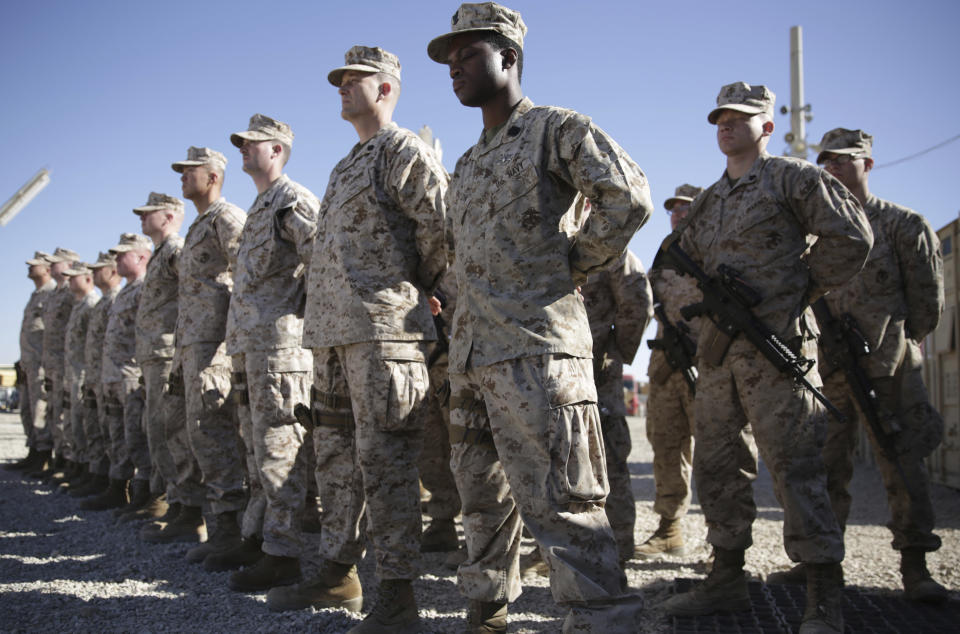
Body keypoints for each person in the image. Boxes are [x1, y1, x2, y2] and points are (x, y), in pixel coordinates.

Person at [427, 3, 653, 630]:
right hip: (474, 356)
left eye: (468, 54)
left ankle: (606, 621)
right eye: (450, 59)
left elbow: (628, 198)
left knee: (563, 506)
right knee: (482, 501)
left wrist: (570, 264)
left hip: (537, 352)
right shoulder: (468, 165)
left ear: (510, 56)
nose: (455, 68)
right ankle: (489, 612)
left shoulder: (556, 130)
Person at [659, 83, 873, 634]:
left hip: (775, 353)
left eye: (739, 118)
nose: (726, 126)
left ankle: (821, 593)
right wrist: (700, 316)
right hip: (718, 357)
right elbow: (678, 264)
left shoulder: (793, 179)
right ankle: (727, 576)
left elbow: (851, 236)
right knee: (716, 468)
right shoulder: (709, 199)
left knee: (796, 468)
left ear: (768, 126)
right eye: (720, 119)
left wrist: (796, 292)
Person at [268, 47, 447, 633]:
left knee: (388, 463)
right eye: (339, 81)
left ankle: (397, 595)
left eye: (354, 80)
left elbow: (441, 235)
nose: (342, 87)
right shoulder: (347, 164)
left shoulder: (405, 153)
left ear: (387, 88)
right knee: (336, 461)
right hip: (332, 339)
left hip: (384, 336)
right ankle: (338, 572)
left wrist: (410, 297)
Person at [766, 128, 946, 603]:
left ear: (868, 164)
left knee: (901, 464)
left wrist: (904, 346)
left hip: (889, 369)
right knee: (823, 469)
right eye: (827, 162)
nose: (835, 169)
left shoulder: (904, 226)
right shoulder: (816, 235)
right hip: (827, 373)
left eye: (845, 161)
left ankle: (916, 566)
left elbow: (927, 303)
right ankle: (822, 567)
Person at [221, 114, 318, 592]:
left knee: (281, 452)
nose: (242, 148)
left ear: (277, 149)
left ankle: (284, 554)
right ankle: (258, 536)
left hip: (281, 352)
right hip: (249, 350)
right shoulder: (260, 206)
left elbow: (321, 262)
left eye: (251, 143)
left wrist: (302, 322)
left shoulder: (291, 200)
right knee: (255, 450)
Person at [154, 146, 248, 554]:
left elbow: (248, 276)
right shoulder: (198, 226)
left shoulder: (226, 218)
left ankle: (229, 531)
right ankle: (210, 521)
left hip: (215, 346)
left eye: (191, 171)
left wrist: (228, 348)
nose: (182, 176)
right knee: (196, 434)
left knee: (216, 434)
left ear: (213, 178)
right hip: (191, 344)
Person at [127, 192, 206, 536]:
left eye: (150, 212)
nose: (142, 218)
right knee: (158, 432)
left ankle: (187, 511)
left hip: (167, 354)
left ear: (171, 216)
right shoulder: (161, 254)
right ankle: (175, 503)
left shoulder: (176, 250)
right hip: (153, 357)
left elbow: (193, 292)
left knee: (171, 432)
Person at [636, 184, 704, 560]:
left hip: (705, 362)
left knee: (715, 452)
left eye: (686, 208)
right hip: (665, 366)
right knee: (665, 445)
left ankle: (722, 542)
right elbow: (641, 299)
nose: (678, 214)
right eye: (673, 209)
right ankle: (669, 529)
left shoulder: (712, 247)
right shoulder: (665, 252)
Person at [580, 248, 653, 564]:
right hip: (556, 368)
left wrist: (611, 351)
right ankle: (572, 545)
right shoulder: (551, 234)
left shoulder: (612, 248)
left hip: (598, 370)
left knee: (608, 457)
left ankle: (620, 545)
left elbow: (637, 303)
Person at [81, 234, 153, 512]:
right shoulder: (125, 292)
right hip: (113, 376)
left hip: (132, 375)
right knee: (117, 435)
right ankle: (118, 486)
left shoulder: (144, 288)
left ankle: (144, 493)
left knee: (137, 436)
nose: (117, 260)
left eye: (123, 254)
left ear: (140, 257)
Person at [70, 251, 123, 499]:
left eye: (99, 268)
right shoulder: (101, 303)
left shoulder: (113, 300)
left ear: (111, 271)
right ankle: (98, 475)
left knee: (121, 433)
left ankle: (119, 485)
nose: (93, 272)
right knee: (100, 428)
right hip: (97, 374)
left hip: (116, 375)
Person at [8, 252, 56, 473]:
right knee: (27, 409)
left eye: (34, 265)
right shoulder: (35, 295)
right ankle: (34, 451)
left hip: (41, 364)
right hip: (29, 363)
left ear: (47, 269)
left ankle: (43, 455)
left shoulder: (51, 293)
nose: (29, 268)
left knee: (40, 409)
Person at [34, 247, 80, 480]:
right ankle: (57, 459)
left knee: (66, 414)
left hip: (67, 363)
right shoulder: (53, 295)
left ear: (70, 265)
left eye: (57, 263)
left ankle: (68, 461)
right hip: (51, 363)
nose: (51, 267)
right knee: (54, 411)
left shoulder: (72, 293)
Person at [58, 261, 100, 490]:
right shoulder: (79, 305)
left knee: (87, 423)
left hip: (87, 372)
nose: (69, 281)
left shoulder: (92, 303)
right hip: (74, 373)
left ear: (87, 279)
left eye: (74, 277)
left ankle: (89, 469)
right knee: (76, 423)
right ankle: (81, 466)